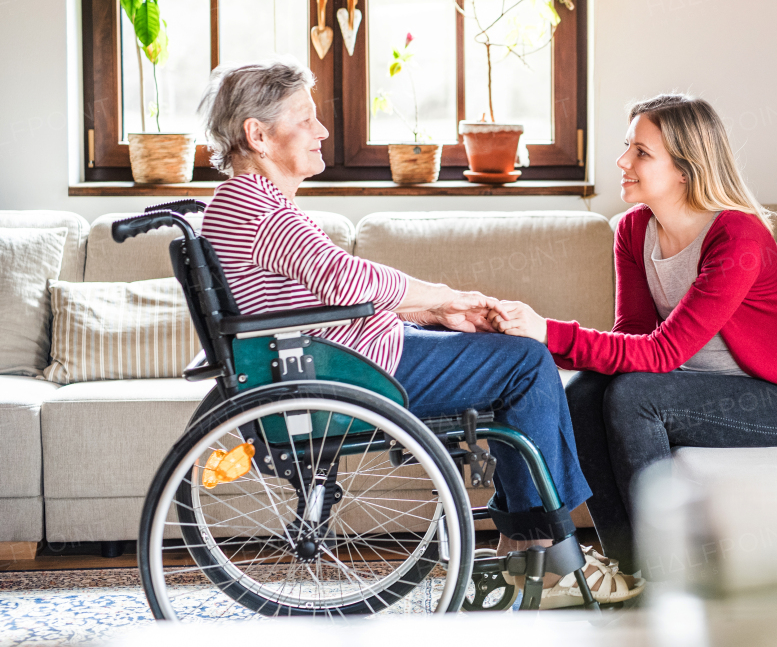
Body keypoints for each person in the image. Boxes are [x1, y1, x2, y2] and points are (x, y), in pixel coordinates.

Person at [196, 58, 635, 607]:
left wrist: (429, 314)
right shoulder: (261, 212)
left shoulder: (251, 207)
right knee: (525, 361)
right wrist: (445, 296)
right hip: (348, 373)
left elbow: (330, 303)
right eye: (306, 119)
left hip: (338, 358)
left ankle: (527, 551)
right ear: (257, 135)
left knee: (511, 356)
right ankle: (547, 553)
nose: (322, 131)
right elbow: (348, 278)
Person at [496, 93, 777, 578]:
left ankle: (664, 572)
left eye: (641, 152)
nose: (622, 161)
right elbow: (633, 337)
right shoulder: (634, 229)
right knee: (584, 394)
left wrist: (547, 332)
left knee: (636, 397)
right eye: (627, 147)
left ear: (685, 169)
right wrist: (548, 352)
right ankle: (628, 566)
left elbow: (662, 353)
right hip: (705, 387)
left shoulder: (737, 236)